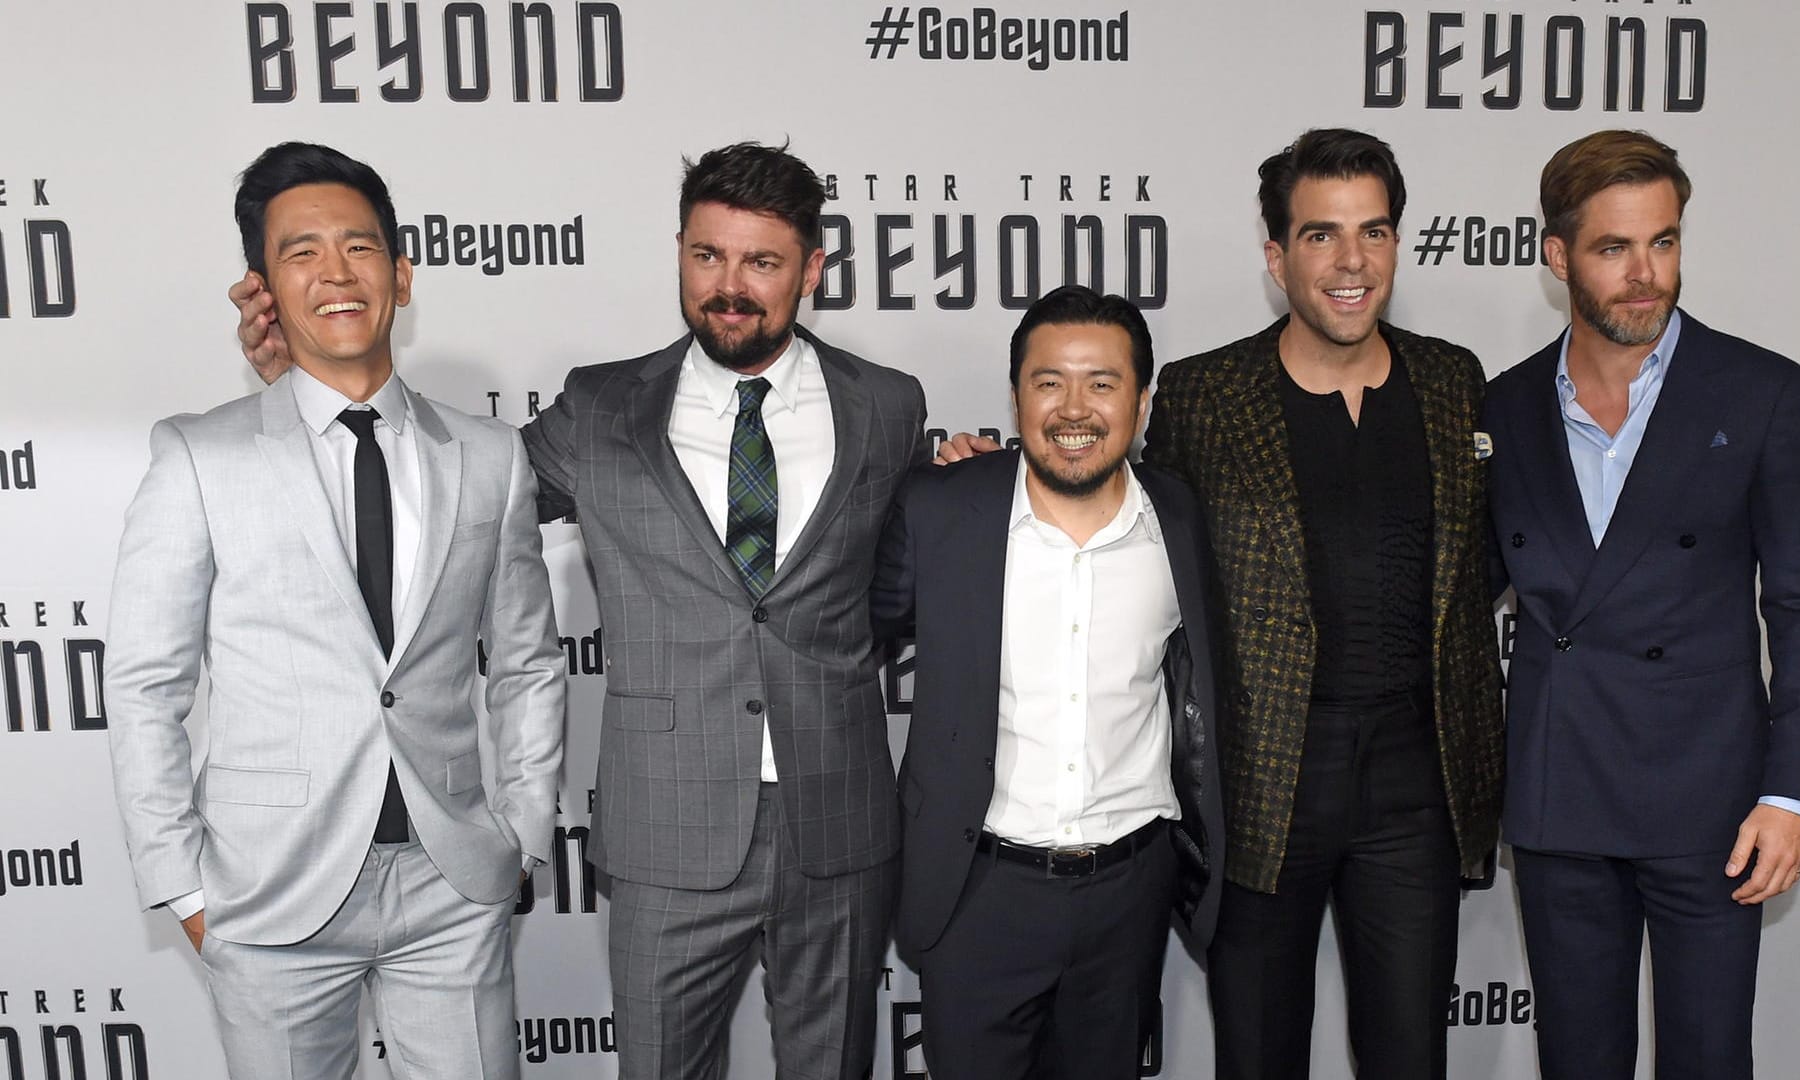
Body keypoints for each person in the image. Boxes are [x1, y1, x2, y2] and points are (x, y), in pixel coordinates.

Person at [233, 141, 926, 1080]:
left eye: (762, 262)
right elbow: (441, 485)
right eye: (707, 256)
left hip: (839, 822)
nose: (729, 286)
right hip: (665, 829)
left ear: (812, 268)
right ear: (679, 250)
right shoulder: (602, 408)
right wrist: (303, 381)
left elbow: (897, 572)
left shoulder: (886, 405)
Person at [938, 128, 1505, 1080]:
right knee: (1256, 1053)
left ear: (1399, 242)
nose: (1352, 262)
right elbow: (1106, 504)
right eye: (1321, 236)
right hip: (1257, 786)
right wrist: (981, 478)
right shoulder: (1204, 396)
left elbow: (1477, 568)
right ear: (1278, 254)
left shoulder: (1454, 381)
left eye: (1374, 231)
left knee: (1411, 1055)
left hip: (1417, 784)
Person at [108, 141, 566, 1079]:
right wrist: (183, 886)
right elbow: (146, 685)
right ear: (264, 287)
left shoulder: (489, 456)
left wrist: (521, 836)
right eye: (301, 251)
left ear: (400, 273)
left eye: (358, 248)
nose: (335, 273)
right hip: (268, 892)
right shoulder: (202, 457)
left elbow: (525, 661)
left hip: (452, 882)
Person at [1484, 129, 1800, 1080]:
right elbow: (1461, 590)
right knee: (1578, 1062)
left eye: (1665, 242)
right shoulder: (1504, 408)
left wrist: (1791, 792)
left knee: (1710, 1058)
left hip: (1714, 804)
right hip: (1562, 793)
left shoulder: (1762, 392)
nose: (1647, 276)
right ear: (1557, 256)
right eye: (1613, 249)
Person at [872, 285, 1224, 1078]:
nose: (1075, 408)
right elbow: (841, 637)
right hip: (976, 890)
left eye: (1102, 382)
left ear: (1140, 399)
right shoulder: (942, 510)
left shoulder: (1183, 521)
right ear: (1016, 395)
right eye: (1048, 382)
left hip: (1128, 895)